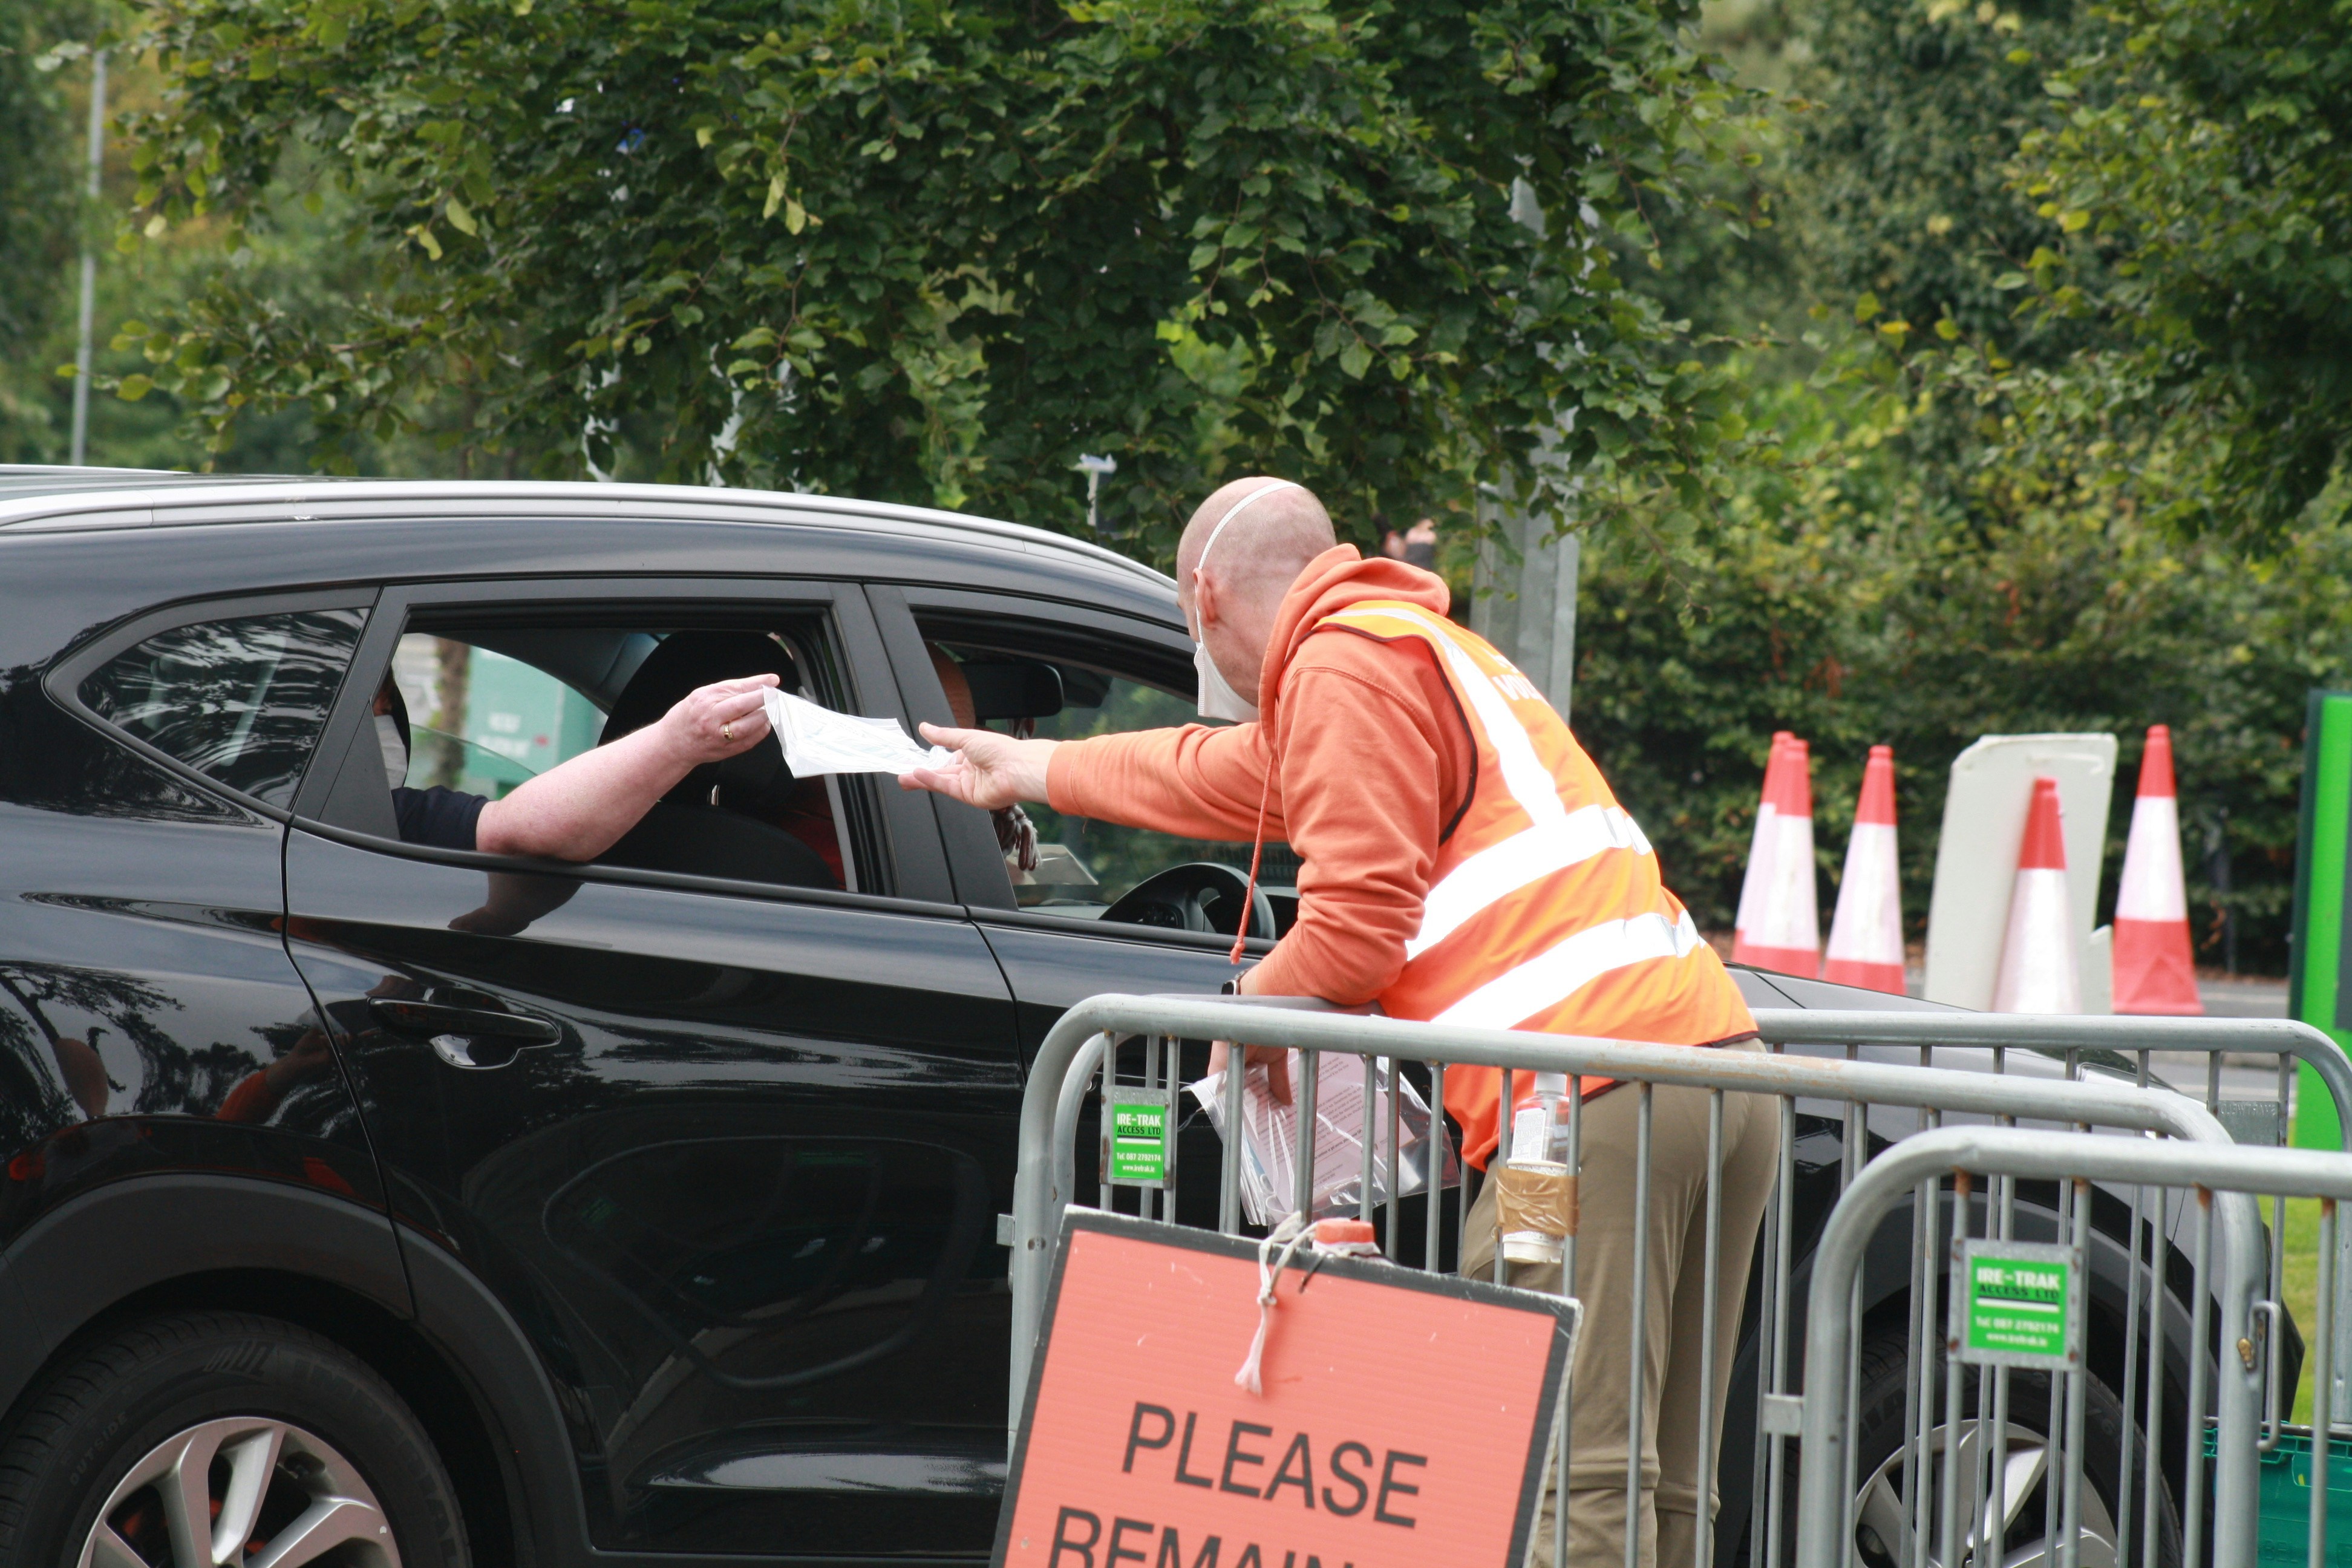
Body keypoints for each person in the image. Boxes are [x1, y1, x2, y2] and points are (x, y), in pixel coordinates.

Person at [899, 475, 1775, 1568]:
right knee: (1660, 1478)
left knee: (1560, 1469)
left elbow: (1355, 933)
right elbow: (1217, 770)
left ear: (1203, 594)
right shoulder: (1414, 647)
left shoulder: (1340, 669)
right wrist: (1026, 766)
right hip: (1710, 1074)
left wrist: (1242, 1022)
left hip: (1577, 1109)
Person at [373, 670, 779, 859]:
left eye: (391, 703)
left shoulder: (362, 819)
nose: (388, 715)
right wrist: (679, 742)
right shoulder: (376, 820)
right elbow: (517, 831)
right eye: (376, 705)